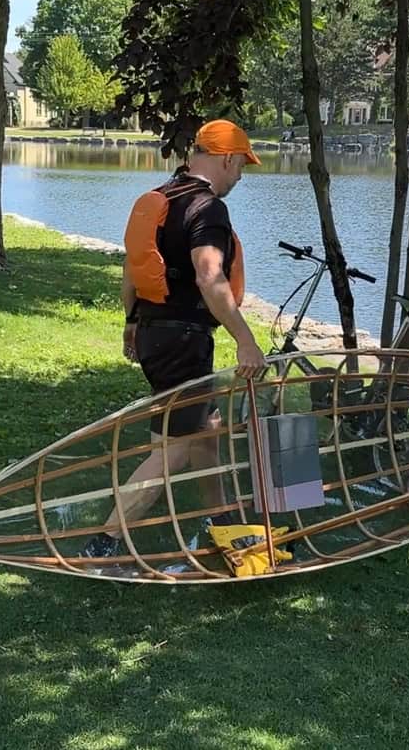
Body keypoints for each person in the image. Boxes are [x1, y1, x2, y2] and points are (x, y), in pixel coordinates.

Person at [78, 119, 267, 561]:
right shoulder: (208, 210)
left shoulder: (162, 197)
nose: (240, 176)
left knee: (206, 430)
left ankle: (223, 522)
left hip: (153, 336)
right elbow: (209, 275)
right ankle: (104, 542)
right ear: (227, 159)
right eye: (242, 166)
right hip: (183, 341)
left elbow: (133, 270)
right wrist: (245, 339)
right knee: (175, 448)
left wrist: (131, 321)